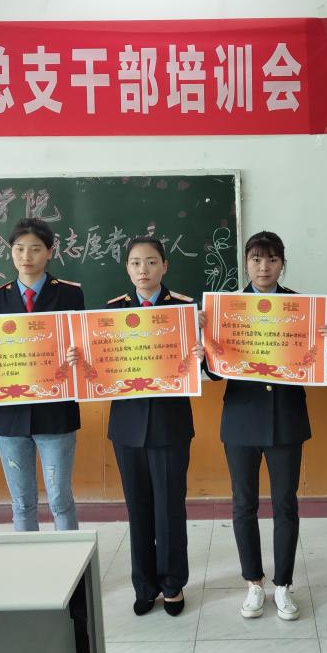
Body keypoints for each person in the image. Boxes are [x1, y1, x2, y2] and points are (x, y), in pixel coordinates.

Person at [215, 231, 327, 621]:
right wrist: (205, 345)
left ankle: (283, 584)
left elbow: (315, 364)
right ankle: (254, 583)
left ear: (282, 263)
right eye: (255, 259)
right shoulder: (226, 309)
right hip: (241, 419)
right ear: (246, 263)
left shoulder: (303, 309)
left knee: (285, 504)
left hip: (286, 419)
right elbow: (213, 373)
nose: (263, 267)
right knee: (243, 504)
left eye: (271, 259)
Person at [105, 236, 202, 617]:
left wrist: (201, 348)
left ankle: (173, 584)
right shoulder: (112, 311)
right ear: (127, 268)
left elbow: (203, 366)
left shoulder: (185, 310)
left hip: (169, 423)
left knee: (170, 507)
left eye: (150, 262)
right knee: (139, 508)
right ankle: (144, 586)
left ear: (165, 266)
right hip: (127, 425)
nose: (142, 270)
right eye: (135, 263)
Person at [0, 218, 84, 531]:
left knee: (60, 499)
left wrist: (77, 355)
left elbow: (82, 344)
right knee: (22, 502)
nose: (26, 256)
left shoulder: (70, 295)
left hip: (56, 411)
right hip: (10, 414)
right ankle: (26, 559)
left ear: (50, 252)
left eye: (35, 249)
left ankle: (71, 561)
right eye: (19, 248)